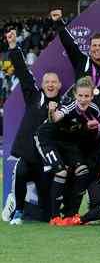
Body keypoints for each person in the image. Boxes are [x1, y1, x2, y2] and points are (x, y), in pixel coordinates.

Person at [5, 28, 62, 225]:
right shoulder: (34, 96)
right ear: (43, 84)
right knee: (20, 172)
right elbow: (22, 71)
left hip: (47, 161)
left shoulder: (65, 105)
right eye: (47, 82)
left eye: (54, 82)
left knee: (47, 214)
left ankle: (39, 210)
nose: (50, 85)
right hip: (28, 156)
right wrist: (13, 46)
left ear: (60, 85)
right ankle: (18, 209)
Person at [36, 76, 100, 225]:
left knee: (83, 171)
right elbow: (56, 118)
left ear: (92, 96)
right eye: (80, 96)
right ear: (75, 95)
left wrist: (96, 128)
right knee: (61, 172)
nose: (83, 99)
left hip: (68, 143)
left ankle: (72, 214)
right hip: (48, 139)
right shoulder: (70, 106)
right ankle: (54, 217)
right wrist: (52, 112)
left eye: (87, 96)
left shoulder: (95, 110)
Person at [51, 9, 100, 122]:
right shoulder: (82, 63)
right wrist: (59, 22)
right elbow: (69, 44)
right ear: (90, 48)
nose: (97, 48)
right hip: (79, 122)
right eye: (94, 45)